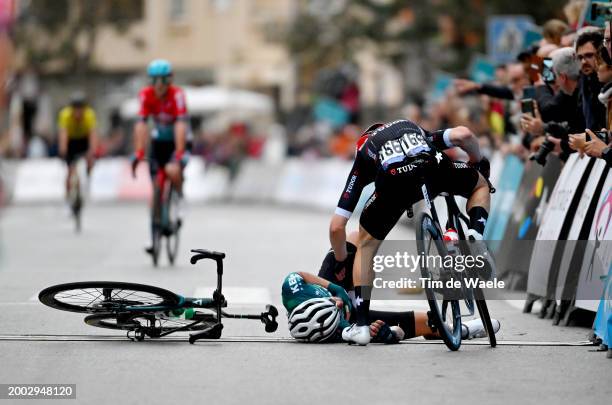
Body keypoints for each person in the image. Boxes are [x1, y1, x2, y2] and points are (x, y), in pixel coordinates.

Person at [328, 119, 493, 345]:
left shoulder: (364, 151)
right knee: (480, 185)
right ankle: (475, 236)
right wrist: (476, 159)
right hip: (432, 170)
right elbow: (463, 134)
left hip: (392, 188)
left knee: (366, 245)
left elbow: (337, 226)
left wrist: (340, 257)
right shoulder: (410, 127)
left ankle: (363, 326)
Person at [282, 232, 500, 343]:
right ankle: (461, 330)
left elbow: (299, 275)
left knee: (357, 239)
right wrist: (391, 334)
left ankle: (441, 253)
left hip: (333, 284)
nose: (339, 305)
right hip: (355, 316)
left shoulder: (295, 294)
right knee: (429, 320)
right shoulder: (341, 331)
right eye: (339, 310)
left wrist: (333, 289)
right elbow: (397, 331)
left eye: (334, 306)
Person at [131, 59, 189, 254]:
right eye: (154, 80)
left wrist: (180, 153)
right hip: (158, 143)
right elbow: (141, 125)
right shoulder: (145, 95)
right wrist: (139, 152)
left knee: (172, 170)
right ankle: (153, 235)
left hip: (177, 140)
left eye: (163, 80)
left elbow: (180, 126)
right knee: (155, 186)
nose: (159, 85)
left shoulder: (178, 95)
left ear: (169, 80)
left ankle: (180, 199)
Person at [57, 91, 98, 201]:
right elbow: (63, 134)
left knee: (90, 158)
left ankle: (88, 175)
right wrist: (63, 150)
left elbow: (92, 134)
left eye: (81, 109)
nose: (78, 112)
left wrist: (92, 151)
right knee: (71, 170)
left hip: (83, 139)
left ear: (84, 109)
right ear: (71, 109)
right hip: (71, 141)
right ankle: (67, 196)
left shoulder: (89, 115)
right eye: (75, 109)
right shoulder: (65, 115)